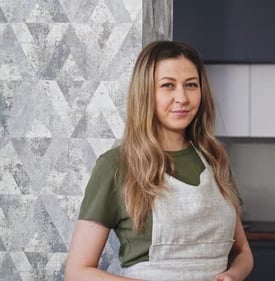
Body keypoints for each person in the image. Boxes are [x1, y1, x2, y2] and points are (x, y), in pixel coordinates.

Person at [64, 40, 254, 281]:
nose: (182, 97)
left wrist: (233, 275)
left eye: (191, 85)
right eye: (167, 85)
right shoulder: (116, 166)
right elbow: (77, 272)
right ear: (146, 92)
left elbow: (243, 252)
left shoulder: (215, 161)